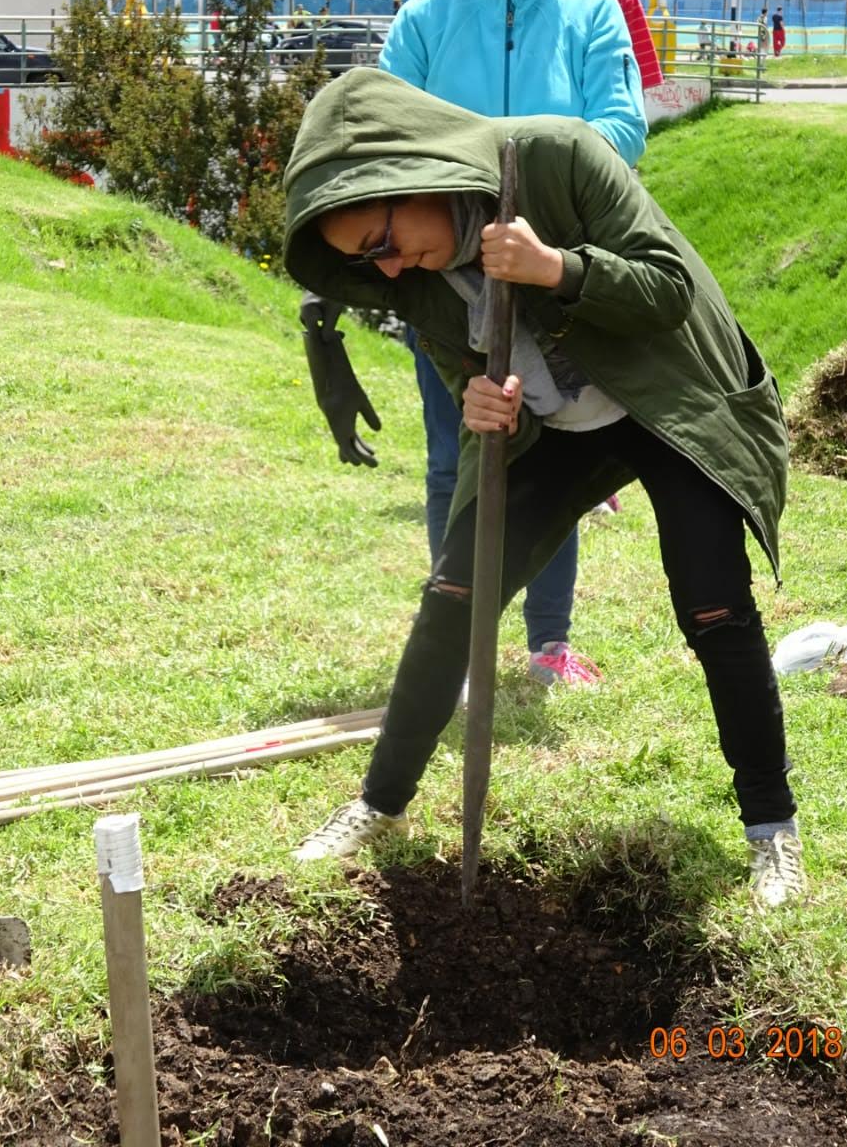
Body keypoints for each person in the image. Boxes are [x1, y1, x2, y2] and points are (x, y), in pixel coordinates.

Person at [284, 68, 806, 909]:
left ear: (412, 176)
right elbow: (466, 370)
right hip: (561, 429)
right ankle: (379, 802)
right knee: (453, 593)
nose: (383, 272)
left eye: (379, 242)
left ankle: (771, 828)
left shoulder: (560, 157)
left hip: (668, 401)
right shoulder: (414, 278)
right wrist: (484, 404)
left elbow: (668, 291)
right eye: (361, 263)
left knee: (715, 608)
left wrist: (556, 268)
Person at [301, 0, 647, 688]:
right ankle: (458, 646)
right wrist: (514, 156)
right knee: (455, 458)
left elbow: (622, 131)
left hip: (550, 262)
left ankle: (548, 644)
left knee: (553, 456)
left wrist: (510, 168)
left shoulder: (593, 14)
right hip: (445, 273)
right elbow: (384, 137)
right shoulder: (422, 21)